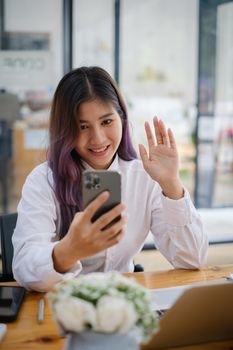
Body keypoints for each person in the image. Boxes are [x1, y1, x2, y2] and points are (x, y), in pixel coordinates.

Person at [12, 66, 208, 291]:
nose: (97, 139)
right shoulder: (43, 181)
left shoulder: (145, 177)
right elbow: (23, 267)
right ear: (65, 130)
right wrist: (69, 250)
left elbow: (192, 260)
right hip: (60, 307)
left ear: (122, 119)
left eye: (106, 122)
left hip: (123, 304)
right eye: (82, 126)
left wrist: (171, 184)